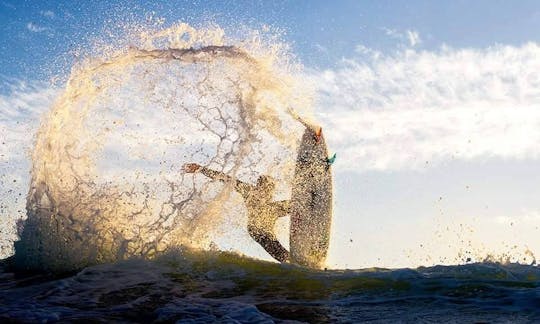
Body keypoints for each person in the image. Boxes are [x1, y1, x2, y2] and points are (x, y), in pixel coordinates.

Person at [182, 163, 291, 262]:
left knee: (285, 206)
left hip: (267, 229)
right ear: (258, 186)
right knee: (281, 254)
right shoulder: (249, 191)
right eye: (264, 188)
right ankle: (288, 260)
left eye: (270, 190)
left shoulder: (272, 206)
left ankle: (292, 259)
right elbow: (225, 178)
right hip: (256, 230)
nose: (267, 193)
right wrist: (201, 169)